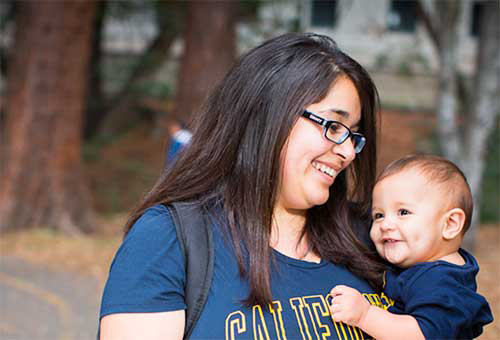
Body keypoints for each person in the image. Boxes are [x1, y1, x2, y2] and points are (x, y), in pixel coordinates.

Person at [99, 32, 386, 339]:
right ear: (265, 115)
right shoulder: (166, 239)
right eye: (333, 126)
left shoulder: (378, 236)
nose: (346, 151)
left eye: (353, 135)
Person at [329, 154, 493, 340]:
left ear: (450, 224)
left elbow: (421, 335)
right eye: (379, 215)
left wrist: (365, 315)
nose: (385, 224)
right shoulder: (426, 265)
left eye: (403, 212)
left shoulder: (441, 283)